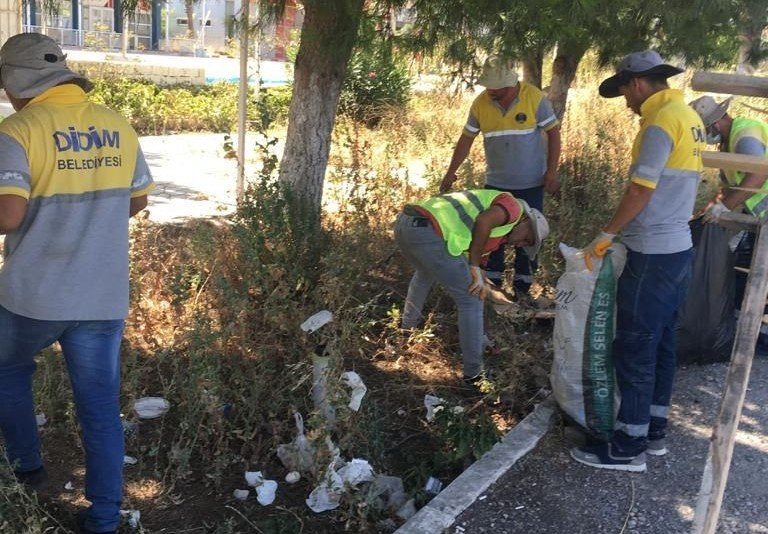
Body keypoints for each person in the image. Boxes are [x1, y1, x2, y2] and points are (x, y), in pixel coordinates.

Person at [0, 34, 153, 534]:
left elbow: (9, 214)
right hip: (102, 296)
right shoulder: (116, 124)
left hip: (34, 296)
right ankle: (104, 518)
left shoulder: (18, 130)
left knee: (6, 369)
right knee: (100, 406)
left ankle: (27, 469)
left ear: (15, 82)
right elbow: (137, 200)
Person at [570, 51, 706, 472]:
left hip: (652, 251)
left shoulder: (659, 123)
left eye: (625, 93)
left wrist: (606, 234)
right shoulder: (688, 116)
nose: (627, 104)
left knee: (634, 345)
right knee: (662, 342)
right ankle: (654, 430)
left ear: (637, 84)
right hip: (679, 248)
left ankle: (629, 446)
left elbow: (640, 190)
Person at [394, 189, 549, 386]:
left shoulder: (498, 236)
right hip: (428, 230)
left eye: (526, 244)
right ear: (526, 222)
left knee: (425, 274)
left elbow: (478, 262)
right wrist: (474, 265)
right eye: (527, 238)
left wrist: (478, 271)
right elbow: (483, 221)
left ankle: (406, 330)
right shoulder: (514, 208)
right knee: (470, 299)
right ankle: (474, 376)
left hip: (407, 224)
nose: (521, 244)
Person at [440, 55, 561, 299]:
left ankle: (523, 288)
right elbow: (466, 140)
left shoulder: (534, 98)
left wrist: (551, 171)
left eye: (496, 89)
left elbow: (554, 133)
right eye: (488, 88)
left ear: (511, 84)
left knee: (527, 236)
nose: (491, 92)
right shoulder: (480, 104)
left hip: (531, 184)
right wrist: (450, 172)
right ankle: (492, 287)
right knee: (492, 237)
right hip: (495, 186)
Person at [689, 95, 768, 310]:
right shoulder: (728, 141)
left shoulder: (745, 136)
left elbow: (758, 174)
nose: (704, 137)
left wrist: (725, 207)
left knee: (757, 274)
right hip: (759, 216)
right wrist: (709, 210)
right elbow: (733, 186)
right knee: (747, 268)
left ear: (714, 124)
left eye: (704, 131)